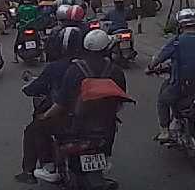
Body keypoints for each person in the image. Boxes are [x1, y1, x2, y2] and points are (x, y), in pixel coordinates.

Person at [33, 29, 129, 183]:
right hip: (105, 127)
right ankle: (105, 156)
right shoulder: (116, 71)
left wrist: (45, 116)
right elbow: (119, 101)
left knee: (40, 126)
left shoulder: (75, 70)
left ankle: (50, 167)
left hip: (75, 127)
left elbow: (61, 103)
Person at [16, 27, 83, 184]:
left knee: (35, 128)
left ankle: (41, 168)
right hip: (95, 120)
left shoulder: (57, 67)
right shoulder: (100, 66)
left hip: (66, 119)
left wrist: (45, 113)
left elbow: (57, 99)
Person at [148, 8, 195, 142]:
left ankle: (165, 131)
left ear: (180, 25)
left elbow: (159, 58)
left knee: (162, 101)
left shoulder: (177, 42)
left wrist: (151, 66)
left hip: (181, 85)